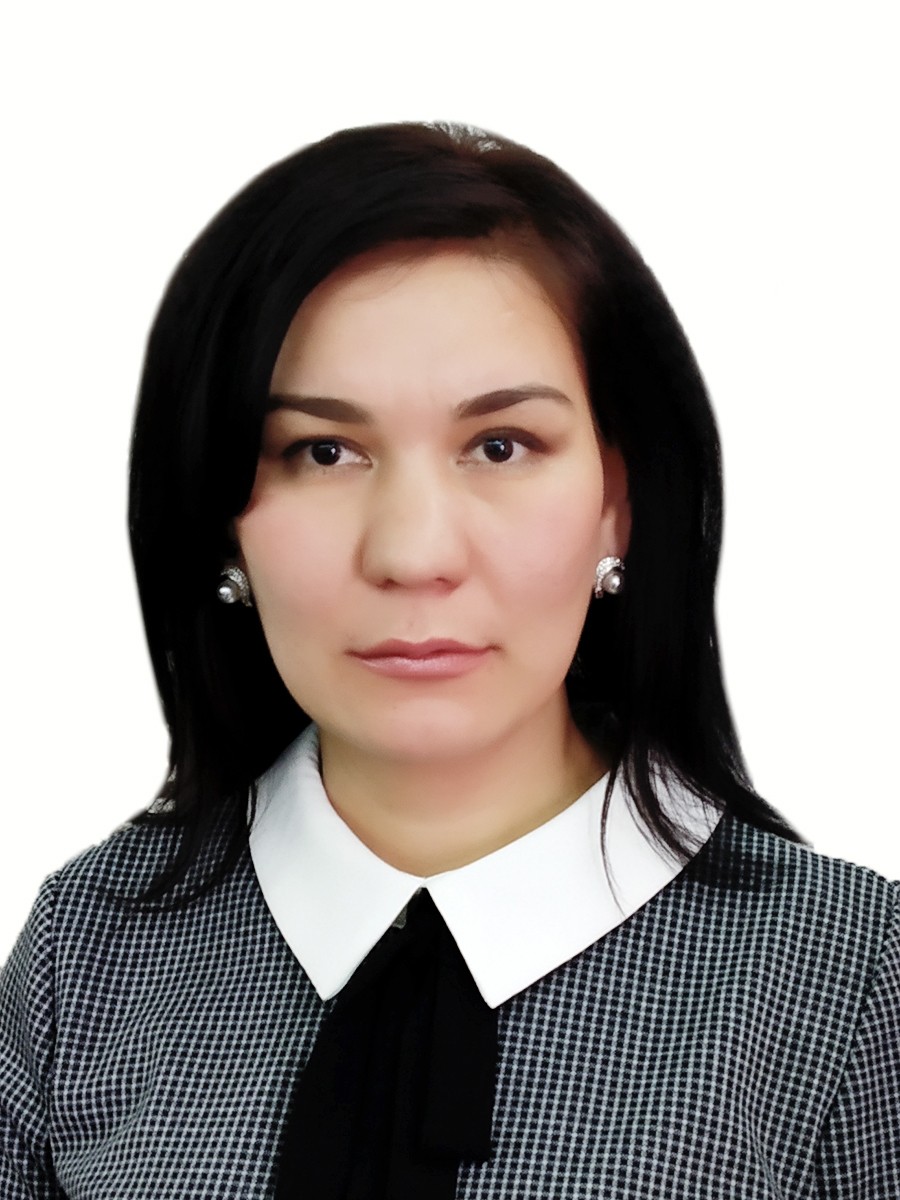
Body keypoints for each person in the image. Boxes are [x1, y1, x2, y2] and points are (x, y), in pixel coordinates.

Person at [1, 120, 897, 1199]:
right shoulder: (88, 949)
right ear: (221, 520)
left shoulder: (850, 977)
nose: (414, 553)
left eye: (501, 446)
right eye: (323, 451)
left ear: (617, 503)